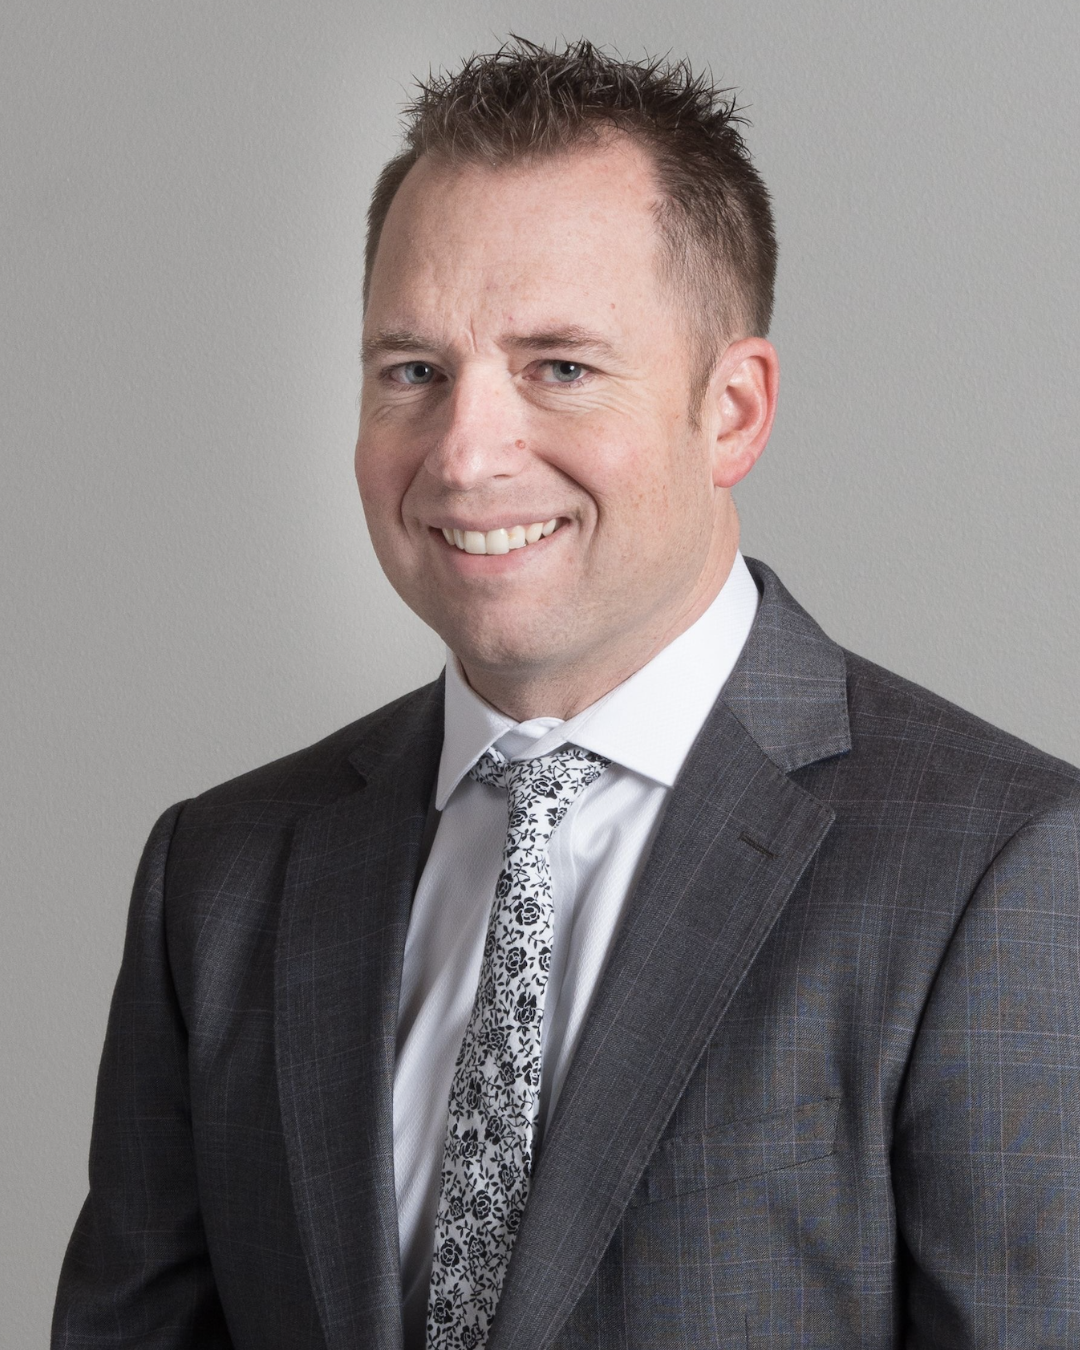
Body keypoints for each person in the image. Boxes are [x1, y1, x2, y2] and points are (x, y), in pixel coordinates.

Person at [53, 38, 1080, 1350]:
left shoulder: (999, 870)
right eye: (413, 371)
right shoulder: (223, 872)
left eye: (561, 368)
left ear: (732, 410)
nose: (466, 454)